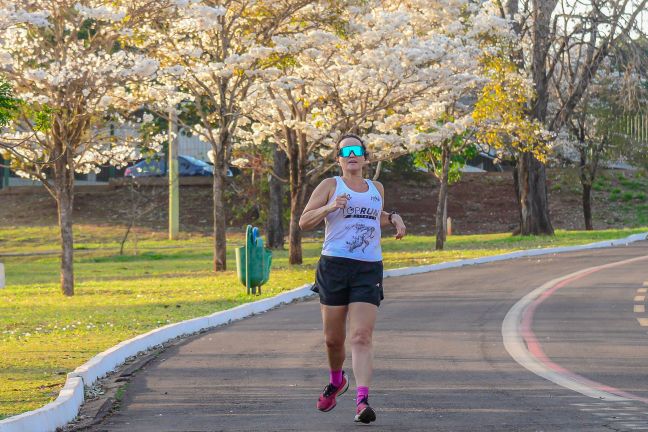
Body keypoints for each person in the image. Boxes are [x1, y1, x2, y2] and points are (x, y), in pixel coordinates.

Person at [299, 133, 406, 424]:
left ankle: (362, 402)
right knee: (333, 340)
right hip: (334, 266)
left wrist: (393, 217)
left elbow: (373, 214)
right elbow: (304, 221)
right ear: (339, 159)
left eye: (357, 150)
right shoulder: (329, 186)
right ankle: (337, 381)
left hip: (368, 268)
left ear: (365, 158)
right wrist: (329, 207)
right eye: (345, 151)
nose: (352, 155)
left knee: (361, 336)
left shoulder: (376, 188)